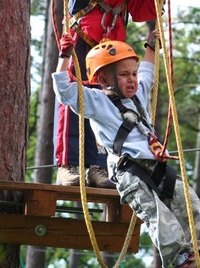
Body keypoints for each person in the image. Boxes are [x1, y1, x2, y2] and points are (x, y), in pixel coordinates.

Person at [53, 33, 200, 268]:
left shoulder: (138, 94)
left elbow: (147, 71)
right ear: (102, 79)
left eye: (131, 73)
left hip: (155, 165)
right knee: (157, 213)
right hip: (129, 170)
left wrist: (151, 46)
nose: (132, 79)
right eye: (123, 75)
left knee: (188, 201)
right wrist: (65, 56)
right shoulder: (97, 102)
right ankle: (181, 260)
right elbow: (64, 92)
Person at [54, 0, 158, 188]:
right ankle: (68, 165)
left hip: (111, 34)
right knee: (74, 95)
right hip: (83, 27)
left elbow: (142, 10)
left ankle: (99, 167)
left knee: (111, 104)